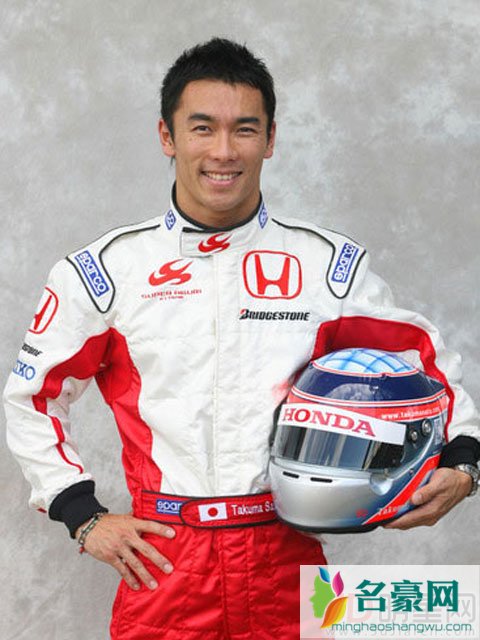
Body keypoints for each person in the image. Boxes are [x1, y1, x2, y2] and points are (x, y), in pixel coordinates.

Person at [4, 37, 480, 640]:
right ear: (167, 136)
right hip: (166, 561)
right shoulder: (106, 272)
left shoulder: (325, 267)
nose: (224, 151)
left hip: (285, 552)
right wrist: (82, 515)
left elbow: (422, 358)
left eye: (245, 129)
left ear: (271, 139)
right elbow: (33, 396)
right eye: (202, 128)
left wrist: (465, 459)